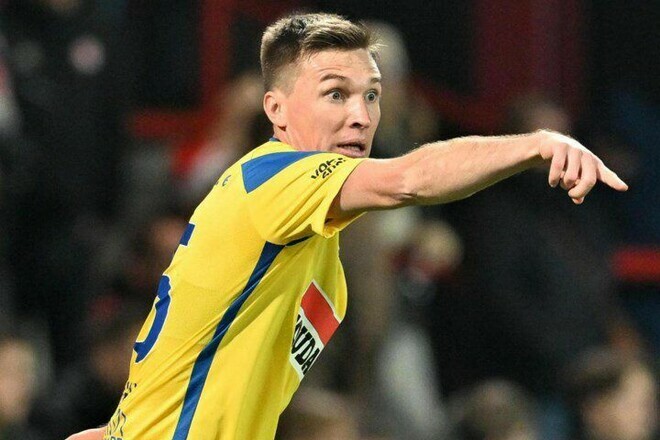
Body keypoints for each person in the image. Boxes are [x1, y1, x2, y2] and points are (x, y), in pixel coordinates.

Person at [67, 12, 628, 440]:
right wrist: (535, 145)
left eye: (372, 95)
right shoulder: (275, 178)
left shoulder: (317, 244)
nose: (360, 115)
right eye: (335, 94)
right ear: (276, 110)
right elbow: (408, 179)